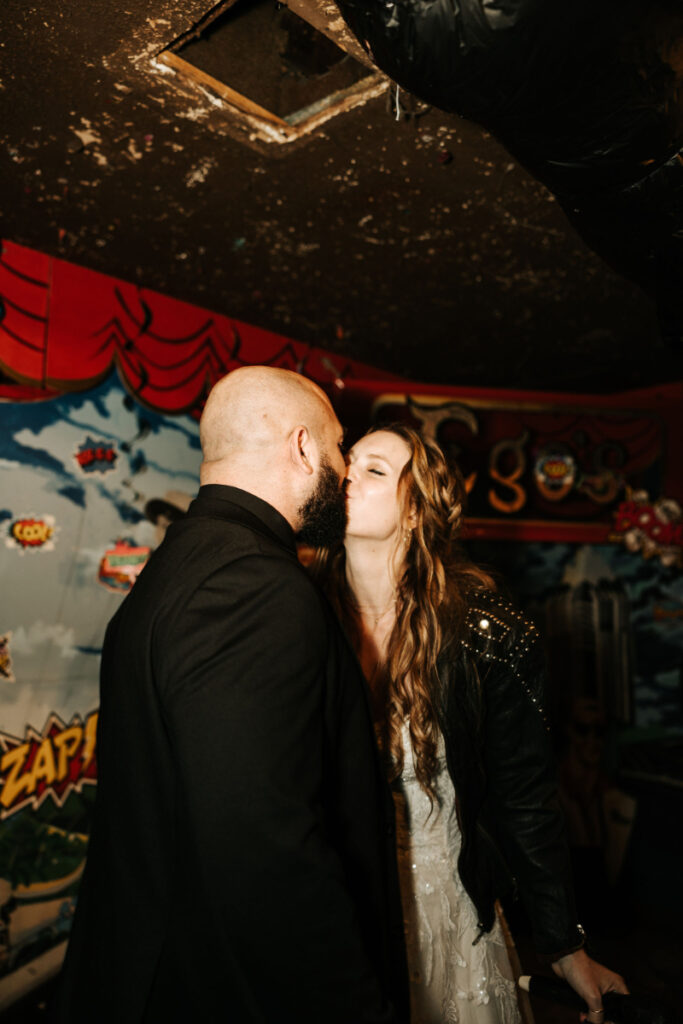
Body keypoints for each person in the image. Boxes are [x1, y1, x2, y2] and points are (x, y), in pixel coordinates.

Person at [55, 367, 409, 1023]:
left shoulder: (185, 563)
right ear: (303, 448)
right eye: (337, 449)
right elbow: (264, 852)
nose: (344, 472)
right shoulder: (253, 586)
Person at [313, 423, 629, 1024]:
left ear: (416, 513)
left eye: (375, 469)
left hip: (451, 912)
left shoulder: (488, 636)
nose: (347, 473)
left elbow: (526, 799)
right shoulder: (298, 612)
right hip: (338, 913)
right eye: (347, 461)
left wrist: (563, 943)